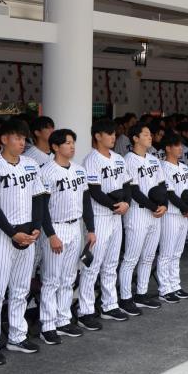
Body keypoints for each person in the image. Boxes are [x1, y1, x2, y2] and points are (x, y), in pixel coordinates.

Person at [0, 119, 49, 365]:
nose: (21, 142)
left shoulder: (30, 164)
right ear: (4, 139)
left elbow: (39, 197)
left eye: (23, 138)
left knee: (21, 289)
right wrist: (12, 232)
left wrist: (36, 228)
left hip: (27, 233)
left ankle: (17, 337)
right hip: (0, 235)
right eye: (17, 138)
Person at [37, 129, 95, 344]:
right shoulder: (46, 172)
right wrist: (51, 235)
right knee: (51, 279)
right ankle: (47, 324)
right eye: (67, 143)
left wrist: (91, 229)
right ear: (55, 147)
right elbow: (42, 207)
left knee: (69, 278)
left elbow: (86, 201)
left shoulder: (79, 171)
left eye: (73, 142)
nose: (72, 146)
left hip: (75, 227)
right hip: (56, 228)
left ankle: (63, 319)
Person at [78, 119, 131, 329]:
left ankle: (110, 305)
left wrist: (126, 202)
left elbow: (127, 184)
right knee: (92, 266)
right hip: (100, 216)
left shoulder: (118, 158)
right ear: (98, 136)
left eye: (114, 134)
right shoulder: (91, 159)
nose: (113, 137)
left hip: (116, 216)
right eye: (109, 134)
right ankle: (85, 311)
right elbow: (94, 190)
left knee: (111, 264)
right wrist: (115, 205)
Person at [117, 124, 166, 316]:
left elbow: (162, 186)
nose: (150, 136)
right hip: (137, 213)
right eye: (145, 134)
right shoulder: (128, 160)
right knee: (131, 258)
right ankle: (125, 297)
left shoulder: (154, 160)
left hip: (155, 214)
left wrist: (164, 205)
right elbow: (133, 191)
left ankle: (142, 293)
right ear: (135, 138)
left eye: (150, 133)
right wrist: (154, 207)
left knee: (148, 257)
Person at [157, 133, 188, 303]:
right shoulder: (162, 167)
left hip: (183, 215)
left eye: (181, 145)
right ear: (168, 148)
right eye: (177, 146)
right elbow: (170, 193)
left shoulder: (184, 167)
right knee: (166, 253)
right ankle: (164, 289)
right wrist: (187, 209)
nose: (180, 148)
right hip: (171, 214)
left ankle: (175, 285)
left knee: (177, 252)